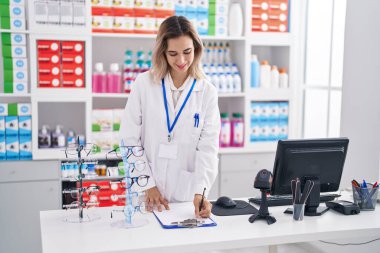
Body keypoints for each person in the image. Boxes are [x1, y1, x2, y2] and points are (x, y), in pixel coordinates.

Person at [119, 16, 220, 218]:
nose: (181, 61)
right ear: (162, 52)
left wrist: (201, 191)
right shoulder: (144, 84)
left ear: (196, 50)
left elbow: (207, 149)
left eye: (187, 52)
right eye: (173, 53)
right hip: (146, 195)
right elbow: (129, 139)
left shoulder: (207, 92)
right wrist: (147, 185)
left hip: (186, 196)